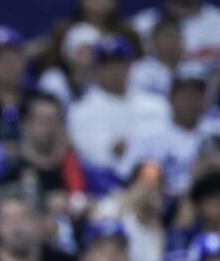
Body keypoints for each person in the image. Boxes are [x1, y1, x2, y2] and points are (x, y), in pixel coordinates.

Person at [121, 66, 220, 198]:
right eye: (185, 93)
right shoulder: (148, 134)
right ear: (171, 97)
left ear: (207, 99)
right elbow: (125, 178)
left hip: (214, 201)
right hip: (163, 205)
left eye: (197, 93)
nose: (191, 100)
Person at [67, 37, 171, 194]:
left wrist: (126, 147)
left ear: (130, 66)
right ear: (95, 69)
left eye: (119, 63)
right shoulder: (80, 111)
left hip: (157, 183)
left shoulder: (157, 105)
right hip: (106, 189)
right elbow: (96, 158)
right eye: (106, 65)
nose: (114, 71)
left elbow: (164, 147)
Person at [128, 14, 185, 98]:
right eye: (167, 37)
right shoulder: (140, 71)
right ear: (154, 42)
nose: (173, 41)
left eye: (177, 37)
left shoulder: (188, 71)